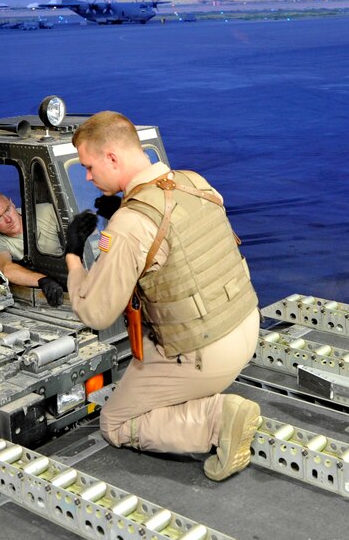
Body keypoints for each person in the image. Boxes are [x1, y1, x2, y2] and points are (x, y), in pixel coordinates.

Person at [63, 111, 260, 481]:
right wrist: (124, 210)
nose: (88, 176)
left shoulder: (131, 223)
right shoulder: (193, 181)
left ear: (113, 159)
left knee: (116, 421)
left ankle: (217, 420)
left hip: (207, 350)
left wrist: (73, 257)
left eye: (89, 166)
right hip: (244, 322)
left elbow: (95, 313)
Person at [0, 191, 65, 307]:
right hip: (52, 287)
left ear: (12, 203)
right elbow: (4, 268)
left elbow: (93, 238)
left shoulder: (47, 211)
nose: (8, 219)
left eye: (7, 210)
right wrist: (43, 280)